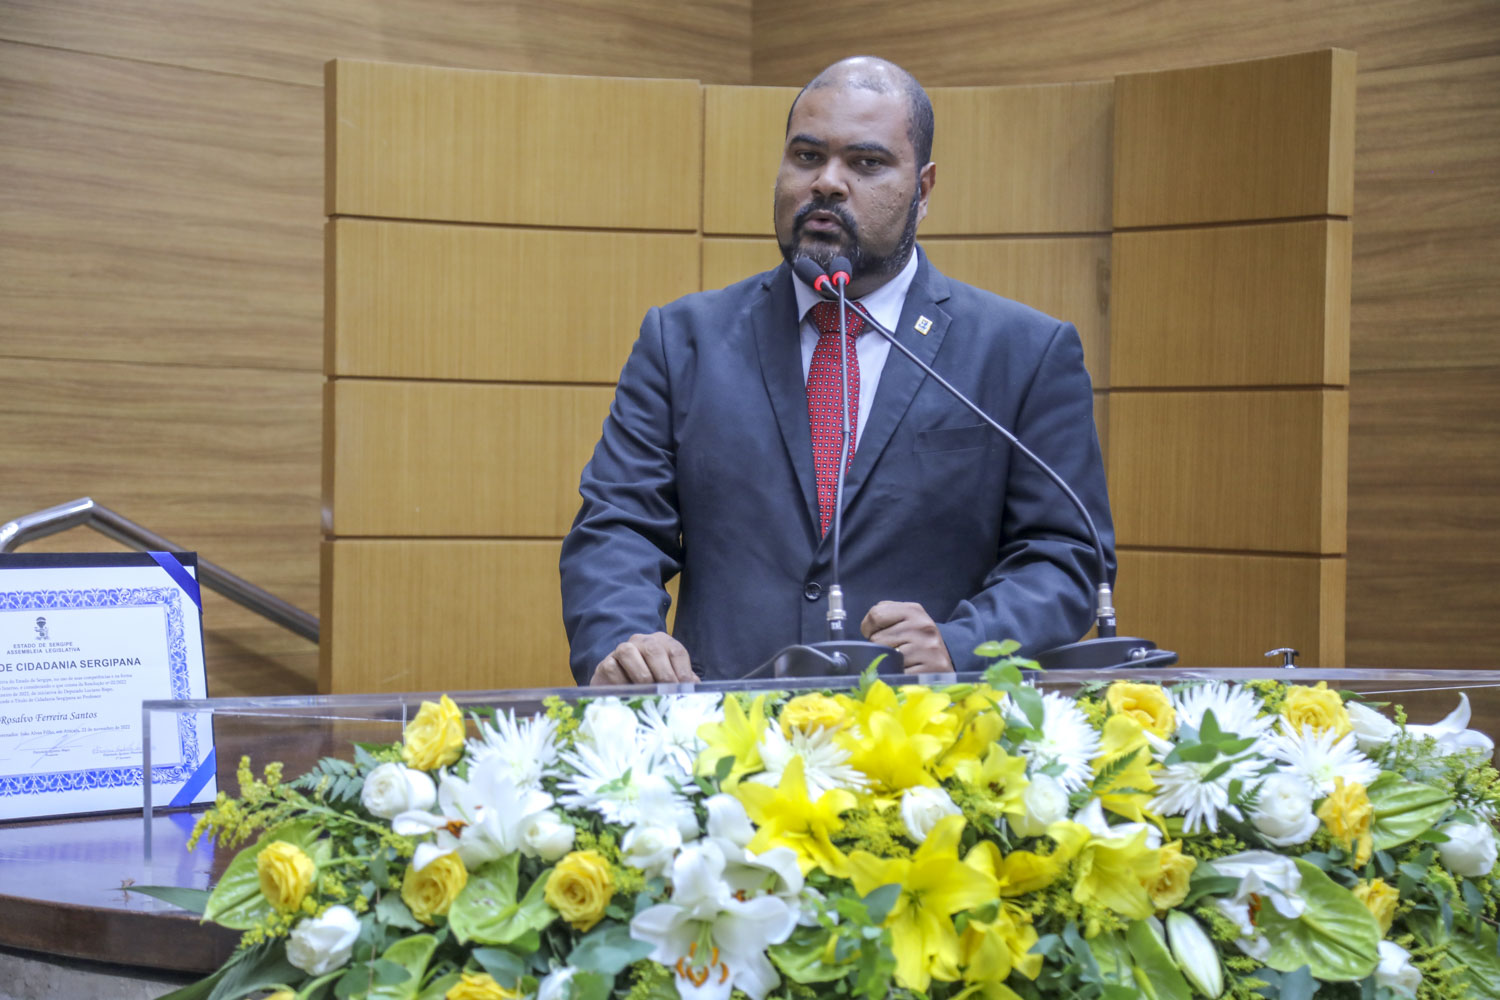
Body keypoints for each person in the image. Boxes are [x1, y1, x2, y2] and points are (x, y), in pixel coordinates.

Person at [560, 56, 1113, 686]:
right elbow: (617, 525)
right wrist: (624, 636)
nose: (827, 183)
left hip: (928, 743)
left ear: (923, 189)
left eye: (866, 163)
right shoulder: (683, 339)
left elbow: (1065, 556)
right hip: (721, 741)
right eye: (806, 156)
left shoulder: (1024, 353)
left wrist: (963, 644)